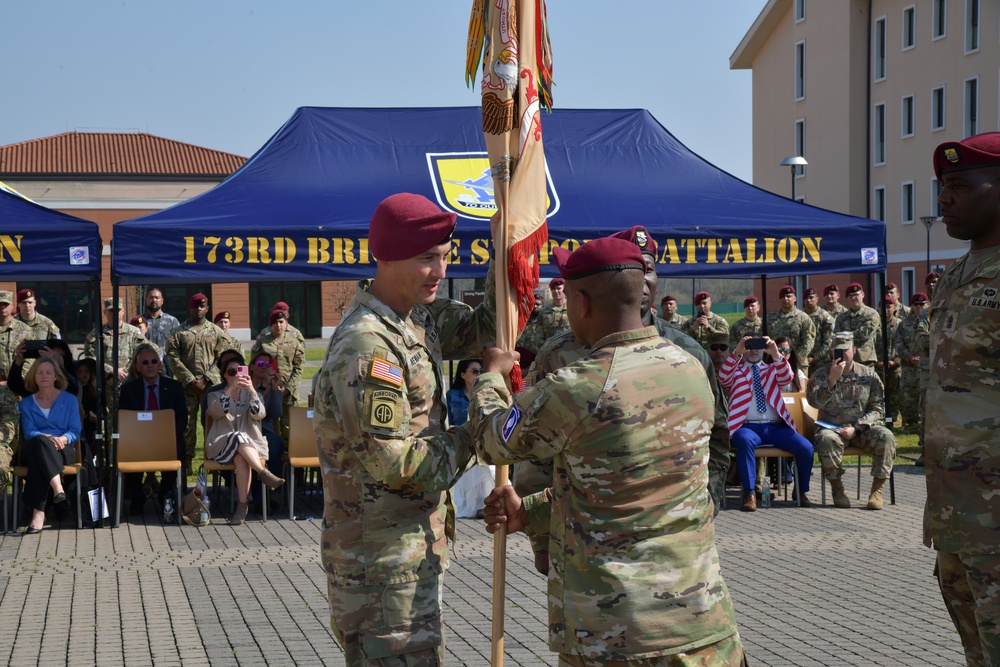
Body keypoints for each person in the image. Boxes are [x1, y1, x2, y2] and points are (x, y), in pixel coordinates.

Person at [471, 236, 744, 665]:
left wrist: (490, 378)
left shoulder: (580, 386)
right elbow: (633, 488)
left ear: (580, 303)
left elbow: (492, 441)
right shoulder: (688, 367)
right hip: (702, 626)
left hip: (618, 636)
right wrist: (532, 512)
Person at [312, 192, 495, 664]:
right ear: (387, 257)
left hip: (405, 550)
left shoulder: (415, 319)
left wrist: (507, 249)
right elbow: (398, 464)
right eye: (426, 258)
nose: (441, 271)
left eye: (445, 257)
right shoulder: (368, 345)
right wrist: (480, 430)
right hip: (379, 562)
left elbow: (488, 330)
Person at [924, 132, 1000, 666]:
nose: (944, 198)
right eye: (942, 186)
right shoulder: (956, 273)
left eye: (959, 185)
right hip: (956, 512)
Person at [718, 335, 814, 511]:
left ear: (764, 350)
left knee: (806, 447)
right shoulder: (735, 370)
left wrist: (776, 354)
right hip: (747, 426)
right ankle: (749, 493)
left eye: (758, 346)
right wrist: (736, 352)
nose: (754, 350)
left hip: (774, 426)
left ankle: (801, 491)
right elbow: (723, 378)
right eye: (749, 346)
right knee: (745, 442)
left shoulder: (771, 369)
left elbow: (787, 377)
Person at [808, 332, 897, 510]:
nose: (842, 354)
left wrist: (857, 428)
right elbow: (813, 402)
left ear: (854, 350)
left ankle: (877, 491)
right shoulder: (821, 374)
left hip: (861, 429)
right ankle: (837, 489)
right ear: (831, 353)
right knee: (826, 440)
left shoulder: (869, 375)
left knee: (886, 436)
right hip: (832, 429)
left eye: (846, 350)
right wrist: (832, 380)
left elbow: (878, 408)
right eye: (837, 351)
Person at [205, 356, 285, 525]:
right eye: (231, 372)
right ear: (224, 375)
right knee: (237, 436)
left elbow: (259, 414)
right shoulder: (215, 394)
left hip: (247, 448)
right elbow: (215, 412)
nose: (236, 376)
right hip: (221, 445)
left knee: (242, 459)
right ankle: (263, 473)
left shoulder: (251, 394)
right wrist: (230, 391)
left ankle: (242, 507)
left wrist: (252, 391)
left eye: (239, 371)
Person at [118, 344, 188, 519]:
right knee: (128, 452)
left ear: (160, 365)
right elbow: (123, 419)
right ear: (138, 367)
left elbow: (182, 418)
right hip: (137, 442)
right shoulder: (128, 390)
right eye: (146, 362)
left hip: (167, 440)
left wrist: (168, 437)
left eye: (154, 361)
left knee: (177, 449)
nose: (150, 365)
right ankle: (137, 497)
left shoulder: (174, 387)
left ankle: (166, 494)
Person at [166, 293, 229, 472]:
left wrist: (207, 378)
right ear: (190, 308)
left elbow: (222, 357)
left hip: (212, 388)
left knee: (214, 423)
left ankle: (215, 459)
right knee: (187, 426)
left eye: (202, 306)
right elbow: (172, 357)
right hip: (187, 388)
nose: (199, 309)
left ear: (207, 309)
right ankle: (186, 462)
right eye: (195, 306)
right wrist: (190, 379)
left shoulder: (216, 332)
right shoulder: (178, 332)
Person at [18, 358, 81, 534]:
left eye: (48, 372)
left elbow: (75, 429)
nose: (44, 376)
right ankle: (58, 488)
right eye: (40, 372)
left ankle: (38, 513)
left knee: (39, 462)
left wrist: (63, 438)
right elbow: (29, 431)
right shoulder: (26, 403)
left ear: (55, 376)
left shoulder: (69, 400)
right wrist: (44, 437)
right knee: (40, 443)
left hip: (63, 447)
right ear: (34, 377)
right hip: (34, 446)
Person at [446, 359, 494, 519]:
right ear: (462, 374)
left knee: (485, 467)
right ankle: (473, 503)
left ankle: (483, 503)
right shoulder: (452, 395)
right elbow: (447, 419)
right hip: (460, 438)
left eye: (481, 371)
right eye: (474, 371)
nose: (479, 374)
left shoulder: (484, 393)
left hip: (480, 438)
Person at [250, 309, 304, 444]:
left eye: (281, 322)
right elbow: (255, 365)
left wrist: (288, 388)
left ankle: (291, 460)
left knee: (291, 426)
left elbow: (299, 367)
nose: (278, 325)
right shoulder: (262, 342)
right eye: (275, 323)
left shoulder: (294, 342)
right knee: (269, 424)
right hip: (268, 390)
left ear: (286, 323)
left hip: (288, 392)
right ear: (270, 325)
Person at [894, 292, 928, 435]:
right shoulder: (904, 323)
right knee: (908, 396)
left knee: (926, 396)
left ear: (928, 305)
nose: (919, 307)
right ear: (912, 306)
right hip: (909, 367)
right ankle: (910, 424)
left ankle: (925, 426)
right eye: (916, 304)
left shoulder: (933, 320)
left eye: (922, 304)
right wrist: (909, 357)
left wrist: (923, 357)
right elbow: (898, 343)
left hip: (926, 366)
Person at [248, 350, 285, 483]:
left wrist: (274, 388)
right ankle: (259, 495)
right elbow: (251, 412)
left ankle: (270, 490)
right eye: (260, 363)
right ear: (251, 366)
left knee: (274, 445)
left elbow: (276, 413)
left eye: (268, 364)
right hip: (247, 429)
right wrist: (263, 388)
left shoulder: (273, 387)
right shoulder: (244, 386)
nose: (264, 366)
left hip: (265, 430)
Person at [766, 284, 817, 375]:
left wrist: (794, 357)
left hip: (798, 363)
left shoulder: (803, 317)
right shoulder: (770, 318)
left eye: (789, 296)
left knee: (798, 388)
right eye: (783, 297)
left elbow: (808, 342)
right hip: (775, 362)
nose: (786, 299)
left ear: (795, 298)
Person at [833, 283, 880, 367]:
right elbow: (837, 338)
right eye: (850, 296)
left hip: (865, 360)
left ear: (862, 295)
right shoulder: (841, 317)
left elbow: (863, 335)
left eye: (856, 295)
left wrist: (845, 336)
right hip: (845, 360)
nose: (853, 298)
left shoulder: (871, 314)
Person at [875, 296, 901, 425]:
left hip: (895, 366)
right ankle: (880, 418)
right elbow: (870, 344)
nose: (886, 309)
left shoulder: (900, 324)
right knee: (879, 394)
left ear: (894, 308)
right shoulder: (875, 324)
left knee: (894, 394)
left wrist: (896, 361)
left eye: (889, 306)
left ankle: (893, 419)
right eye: (883, 307)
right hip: (878, 366)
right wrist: (876, 361)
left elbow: (903, 344)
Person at [0, 290, 31, 384]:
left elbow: (30, 359)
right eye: (0, 304)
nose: (2, 307)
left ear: (12, 305)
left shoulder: (25, 330)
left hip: (16, 389)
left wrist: (17, 379)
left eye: (5, 304)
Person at [802, 286, 835, 375]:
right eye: (806, 298)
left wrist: (814, 358)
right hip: (802, 362)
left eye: (811, 297)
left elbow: (828, 342)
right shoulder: (800, 316)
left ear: (817, 299)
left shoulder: (825, 317)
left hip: (821, 363)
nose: (808, 300)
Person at [142, 288, 181, 356]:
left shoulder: (172, 322)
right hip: (144, 363)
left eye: (157, 298)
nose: (154, 300)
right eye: (151, 297)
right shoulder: (139, 321)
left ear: (162, 301)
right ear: (146, 300)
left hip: (165, 363)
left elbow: (178, 344)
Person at [515, 289, 547, 354]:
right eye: (533, 304)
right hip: (526, 357)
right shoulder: (523, 323)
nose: (535, 306)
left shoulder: (545, 323)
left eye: (538, 304)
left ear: (543, 307)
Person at [538, 277, 570, 341]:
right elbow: (539, 334)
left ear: (565, 289)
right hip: (549, 349)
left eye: (559, 288)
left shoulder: (572, 309)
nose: (556, 291)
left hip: (570, 349)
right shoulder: (544, 312)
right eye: (553, 289)